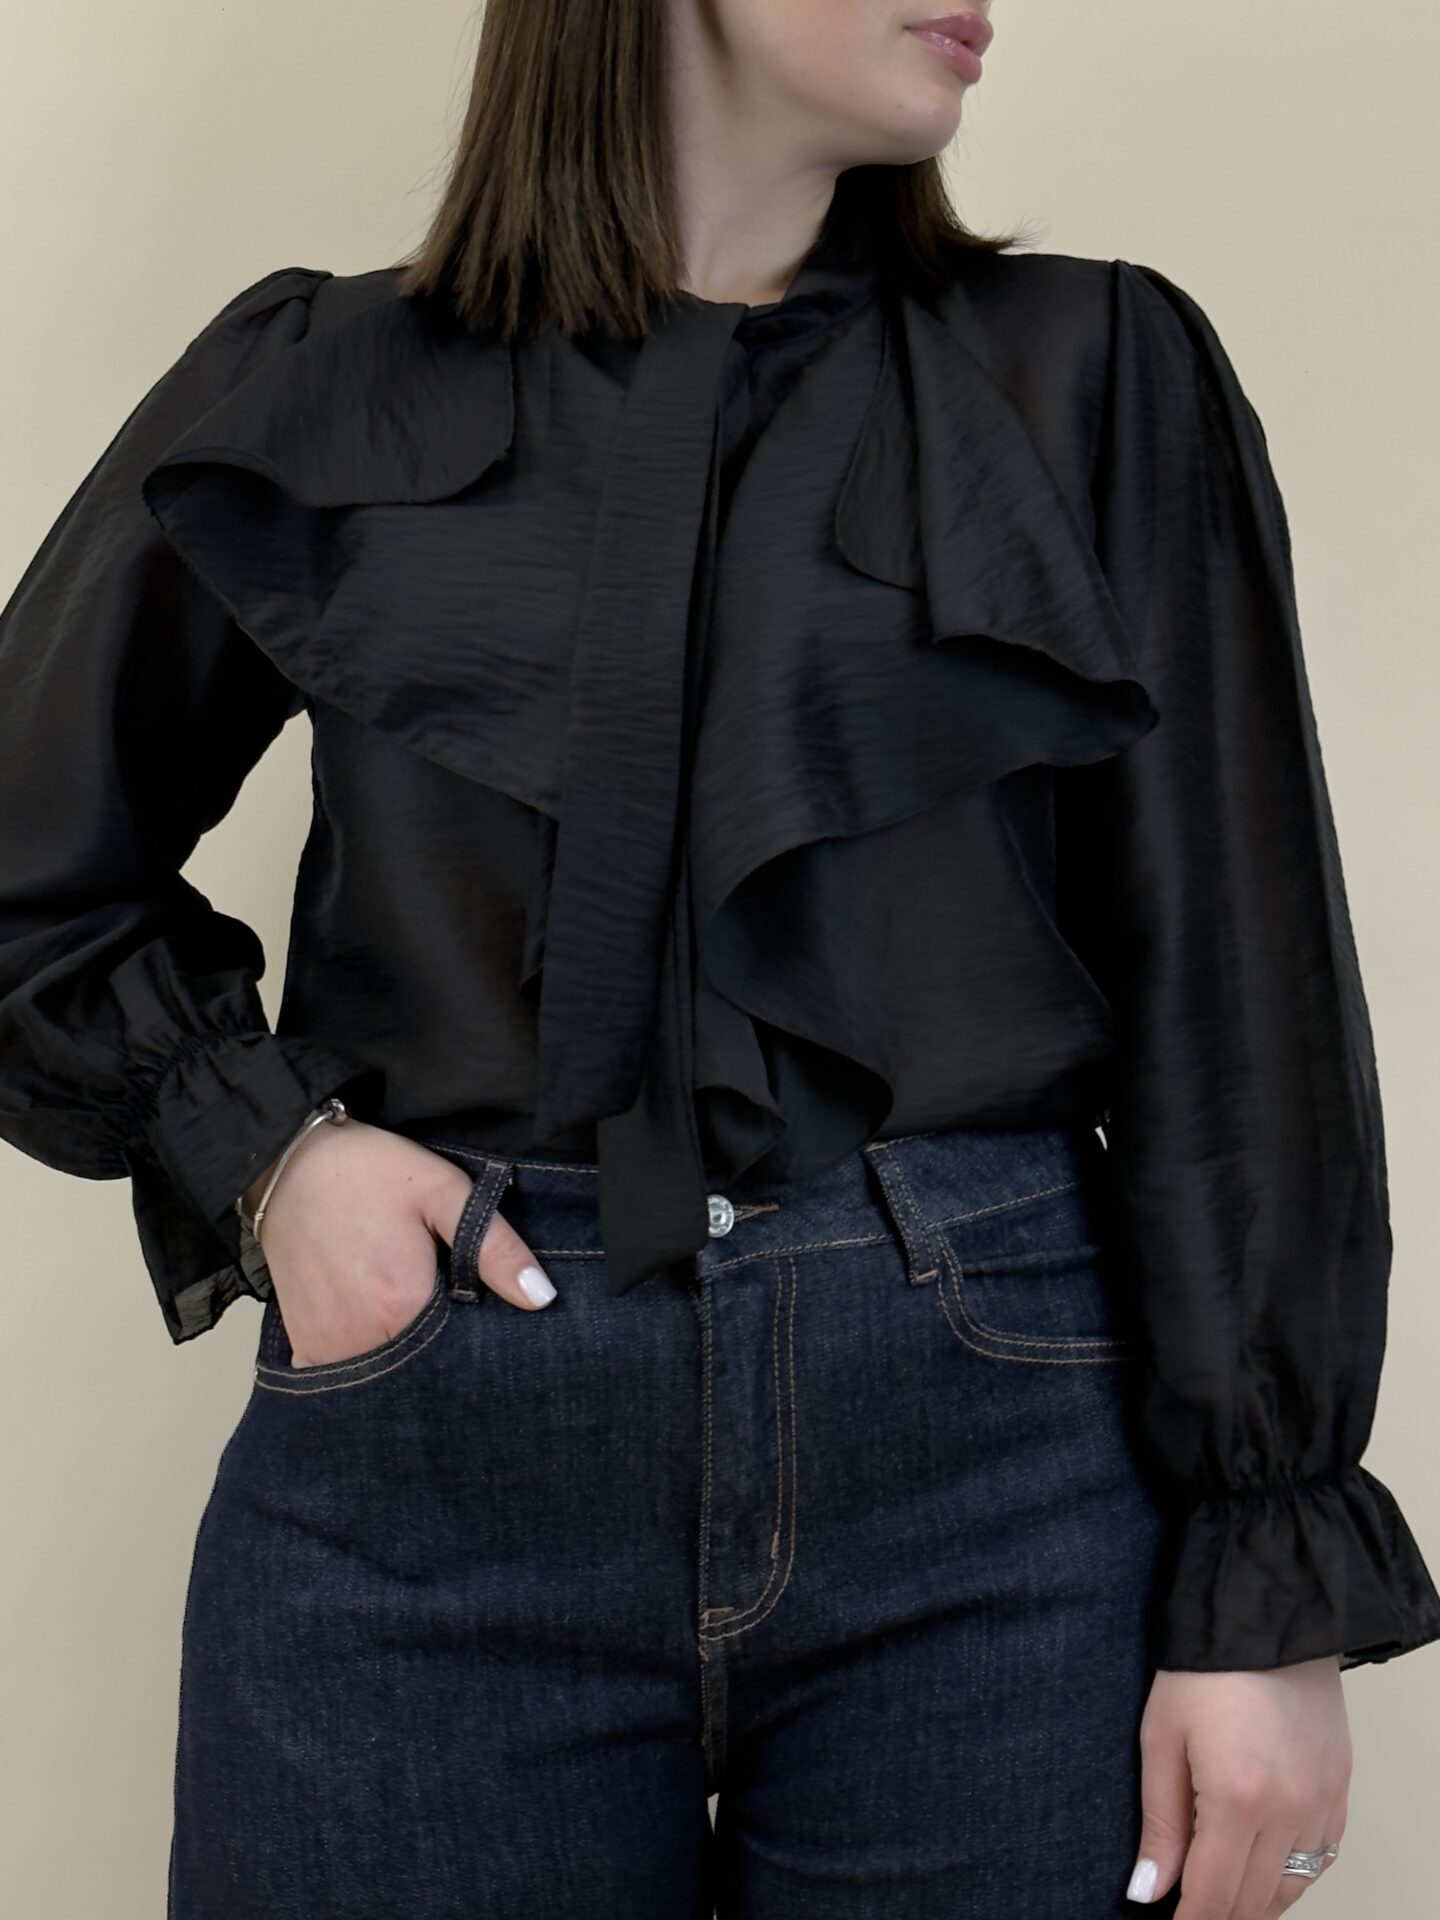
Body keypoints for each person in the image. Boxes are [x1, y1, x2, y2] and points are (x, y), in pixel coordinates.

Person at [1, 2, 1436, 1915]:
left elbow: (1239, 995)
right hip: (430, 1465)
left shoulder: (1090, 369)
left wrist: (1267, 1589)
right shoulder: (322, 376)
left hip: (998, 1477)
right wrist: (270, 1157)